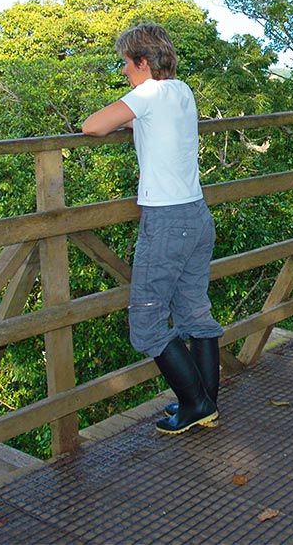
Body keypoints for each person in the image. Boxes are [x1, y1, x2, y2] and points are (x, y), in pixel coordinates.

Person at [82, 22, 222, 433]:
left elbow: (92, 125)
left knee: (146, 324)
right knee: (196, 313)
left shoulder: (146, 94)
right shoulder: (181, 91)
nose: (123, 71)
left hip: (166, 223)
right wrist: (133, 121)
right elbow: (149, 123)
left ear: (143, 62)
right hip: (196, 216)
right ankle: (205, 405)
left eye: (125, 63)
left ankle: (195, 403)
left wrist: (128, 116)